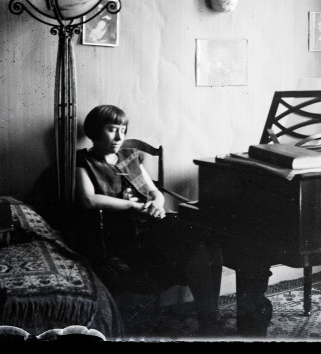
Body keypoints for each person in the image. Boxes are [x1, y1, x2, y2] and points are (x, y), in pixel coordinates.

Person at [74, 105, 225, 337]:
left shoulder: (129, 158)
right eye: (112, 129)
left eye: (123, 130)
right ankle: (209, 322)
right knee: (198, 247)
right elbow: (88, 200)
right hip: (123, 235)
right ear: (95, 131)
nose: (119, 137)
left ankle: (208, 319)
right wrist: (133, 205)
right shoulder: (84, 161)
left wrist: (156, 202)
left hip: (152, 224)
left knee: (210, 244)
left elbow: (155, 191)